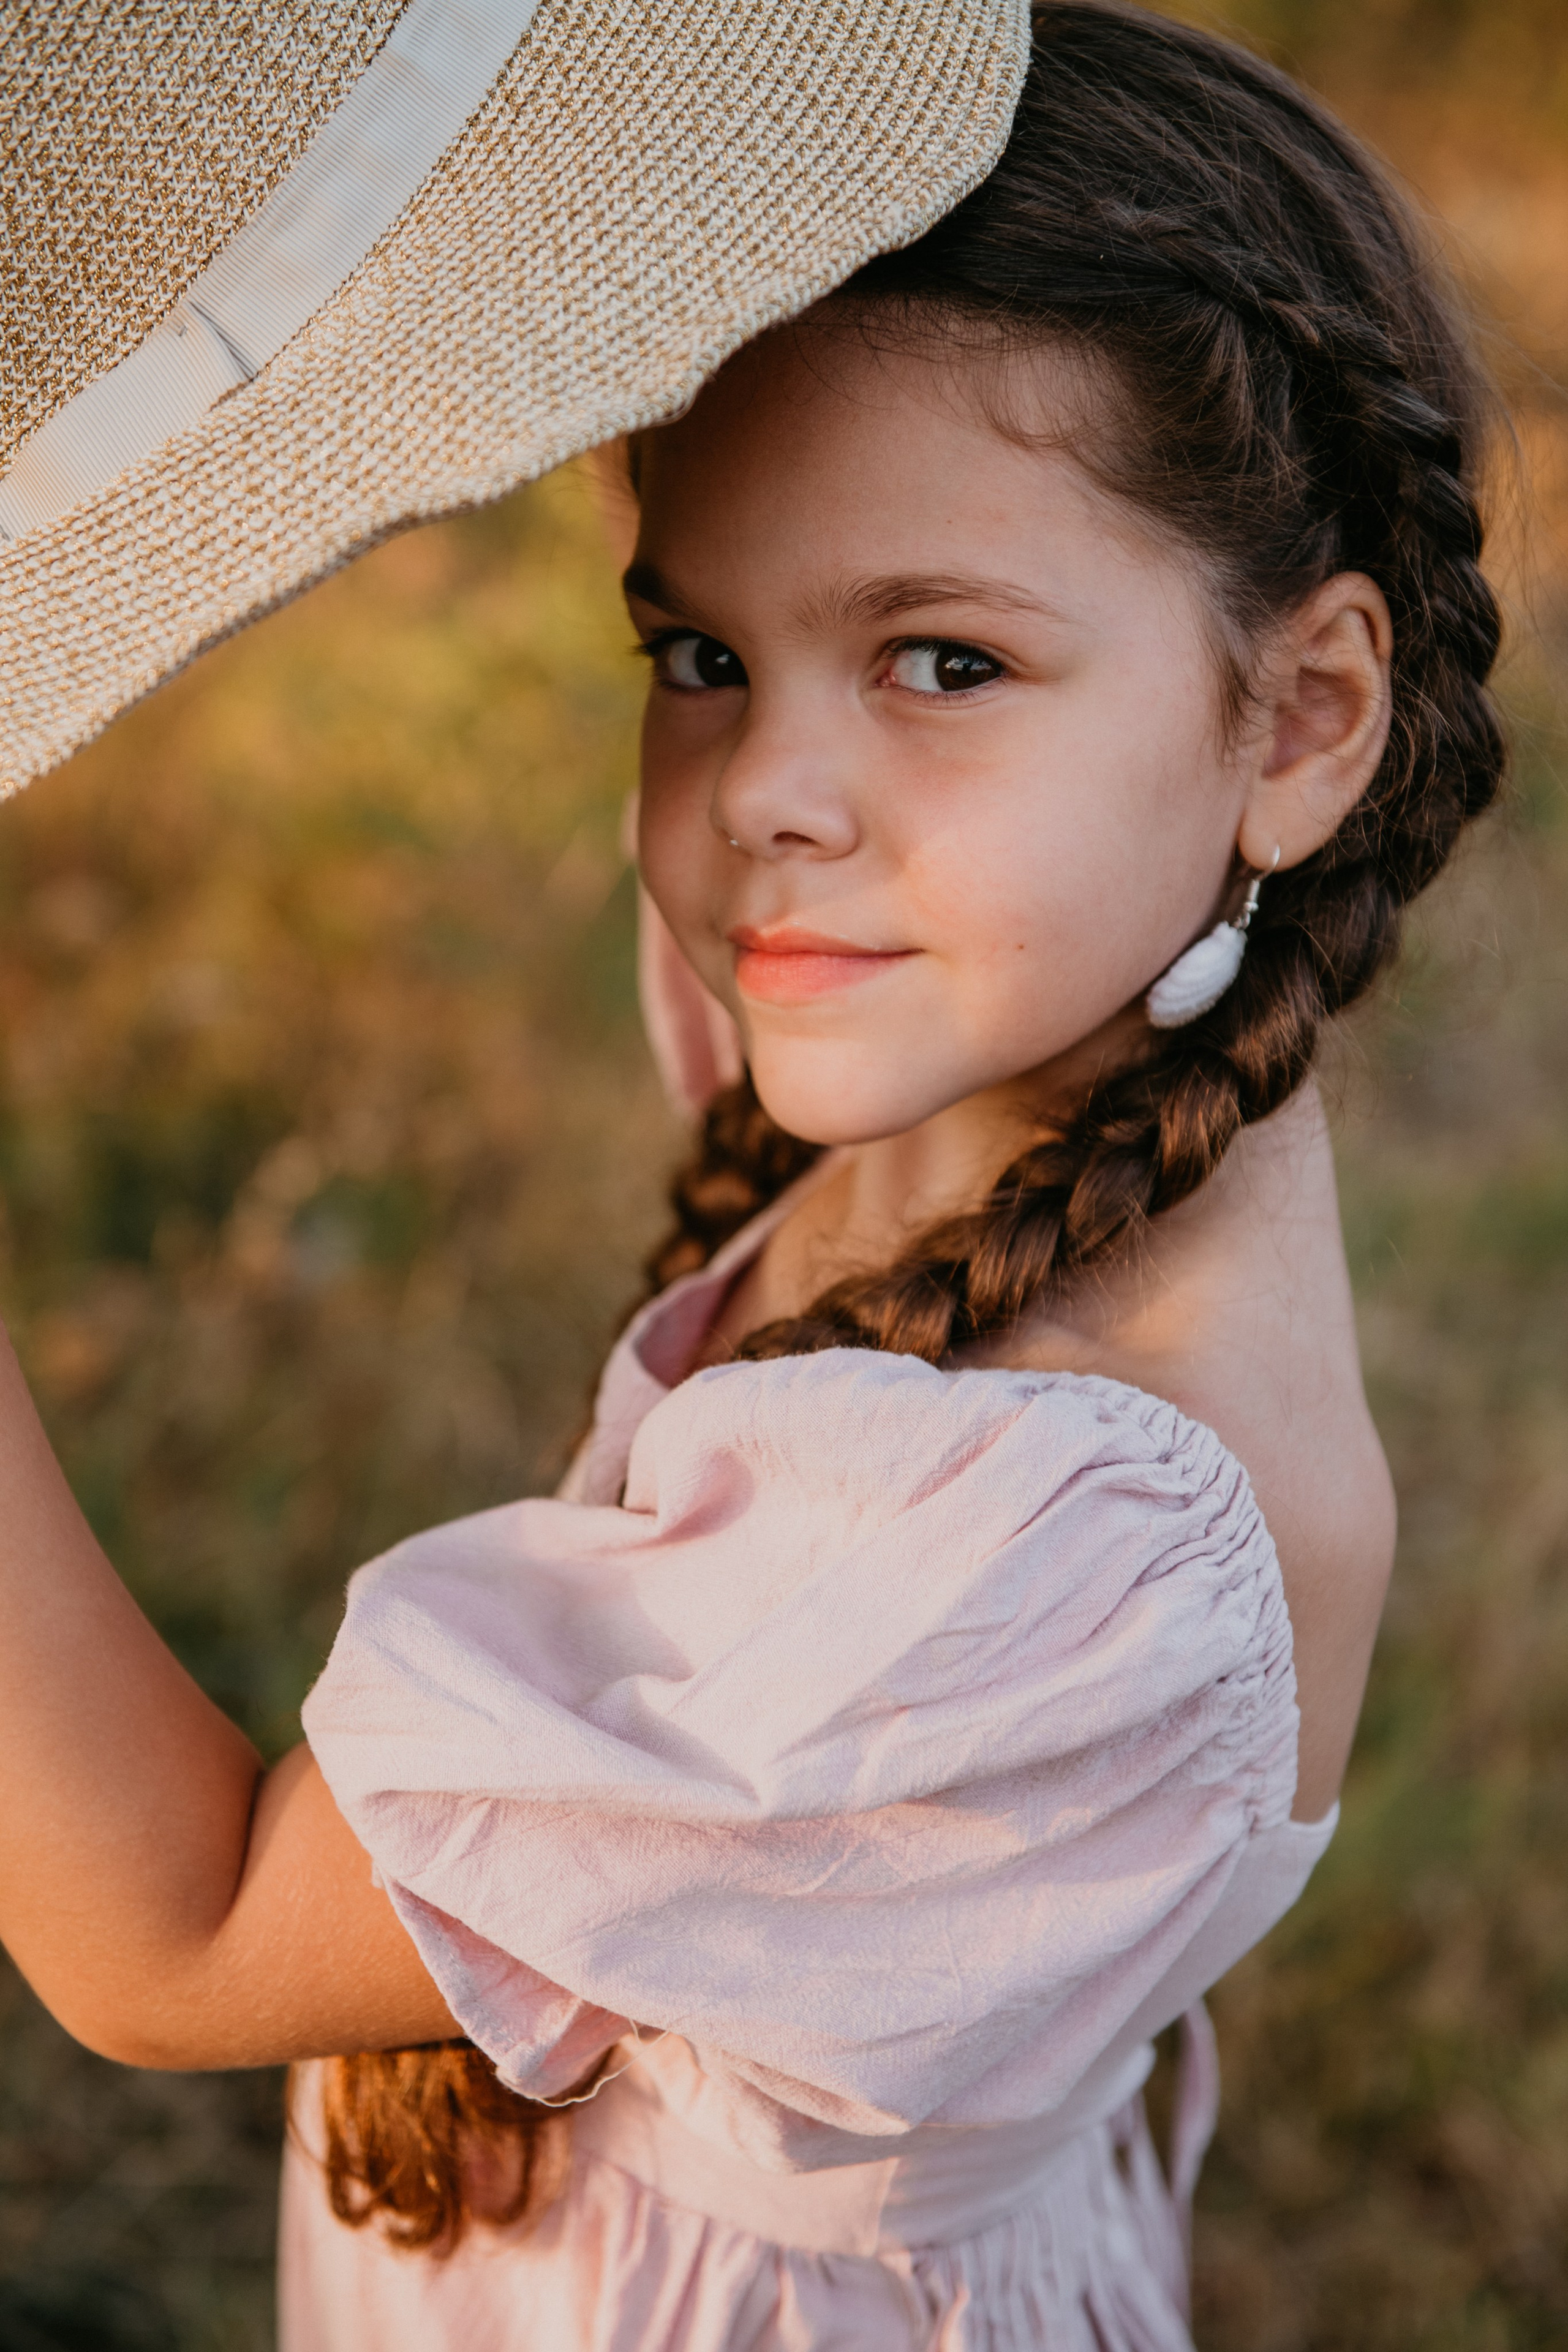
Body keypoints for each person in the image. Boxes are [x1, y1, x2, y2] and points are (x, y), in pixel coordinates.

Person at [0, 6, 1504, 2346]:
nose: (767, 792)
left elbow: (171, 1932)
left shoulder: (1066, 1550)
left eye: (942, 662)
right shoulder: (928, 1013)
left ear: (1302, 718)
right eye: (699, 651)